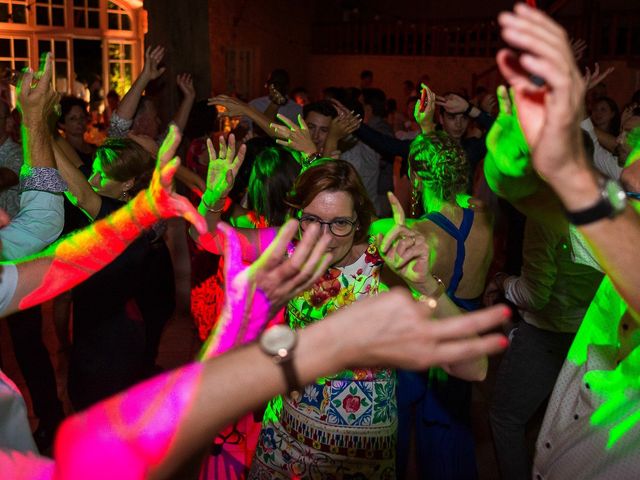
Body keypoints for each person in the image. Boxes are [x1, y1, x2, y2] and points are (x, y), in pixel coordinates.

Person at [491, 4, 640, 477]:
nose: (629, 168)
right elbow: (535, 199)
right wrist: (512, 157)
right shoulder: (623, 218)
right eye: (633, 149)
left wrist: (568, 170)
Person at [379, 129, 493, 479]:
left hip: (422, 335)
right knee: (449, 431)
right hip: (462, 332)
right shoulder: (484, 214)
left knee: (394, 429)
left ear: (415, 176)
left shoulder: (413, 235)